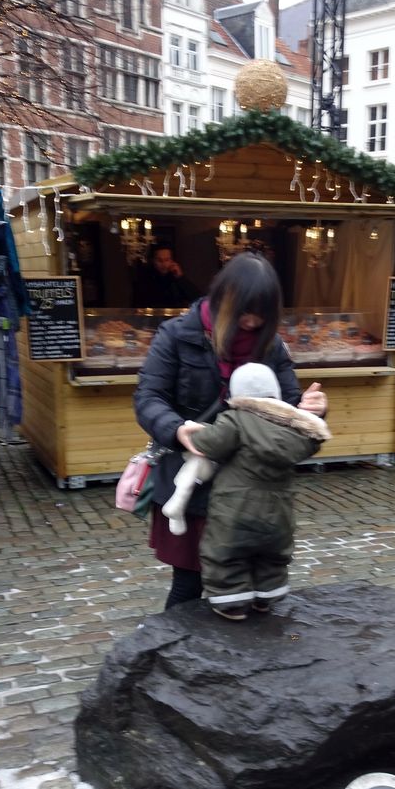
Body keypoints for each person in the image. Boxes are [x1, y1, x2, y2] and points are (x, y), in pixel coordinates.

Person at [134, 251, 328, 610]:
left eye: (262, 314)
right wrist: (177, 430)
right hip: (192, 480)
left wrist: (312, 409)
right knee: (189, 583)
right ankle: (172, 658)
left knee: (255, 584)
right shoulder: (178, 335)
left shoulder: (271, 345)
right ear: (223, 299)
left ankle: (247, 658)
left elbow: (290, 404)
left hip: (253, 490)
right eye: (245, 312)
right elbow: (148, 397)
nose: (253, 322)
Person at [183, 362, 331, 620]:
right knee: (272, 555)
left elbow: (211, 445)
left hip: (235, 507)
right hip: (279, 509)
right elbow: (311, 441)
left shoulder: (236, 419)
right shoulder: (293, 426)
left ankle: (232, 603)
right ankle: (268, 597)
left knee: (226, 552)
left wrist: (195, 435)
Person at [134, 244, 201, 308]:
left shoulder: (176, 278)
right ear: (153, 261)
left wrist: (180, 277)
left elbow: (198, 299)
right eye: (159, 260)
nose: (164, 264)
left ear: (172, 260)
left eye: (167, 260)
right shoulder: (145, 279)